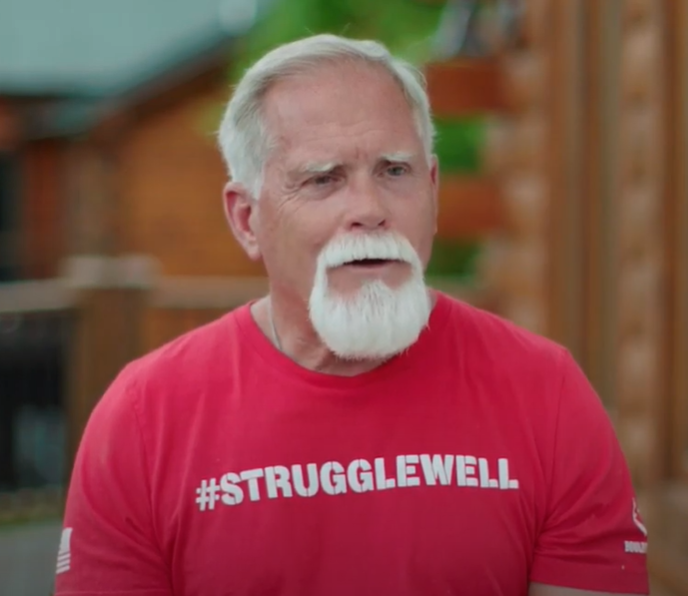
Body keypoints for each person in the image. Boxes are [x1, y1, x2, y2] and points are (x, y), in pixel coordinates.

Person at [54, 34, 649, 596]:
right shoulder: (145, 418)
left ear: (433, 189)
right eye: (323, 179)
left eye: (395, 171)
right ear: (246, 219)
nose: (369, 207)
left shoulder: (546, 394)